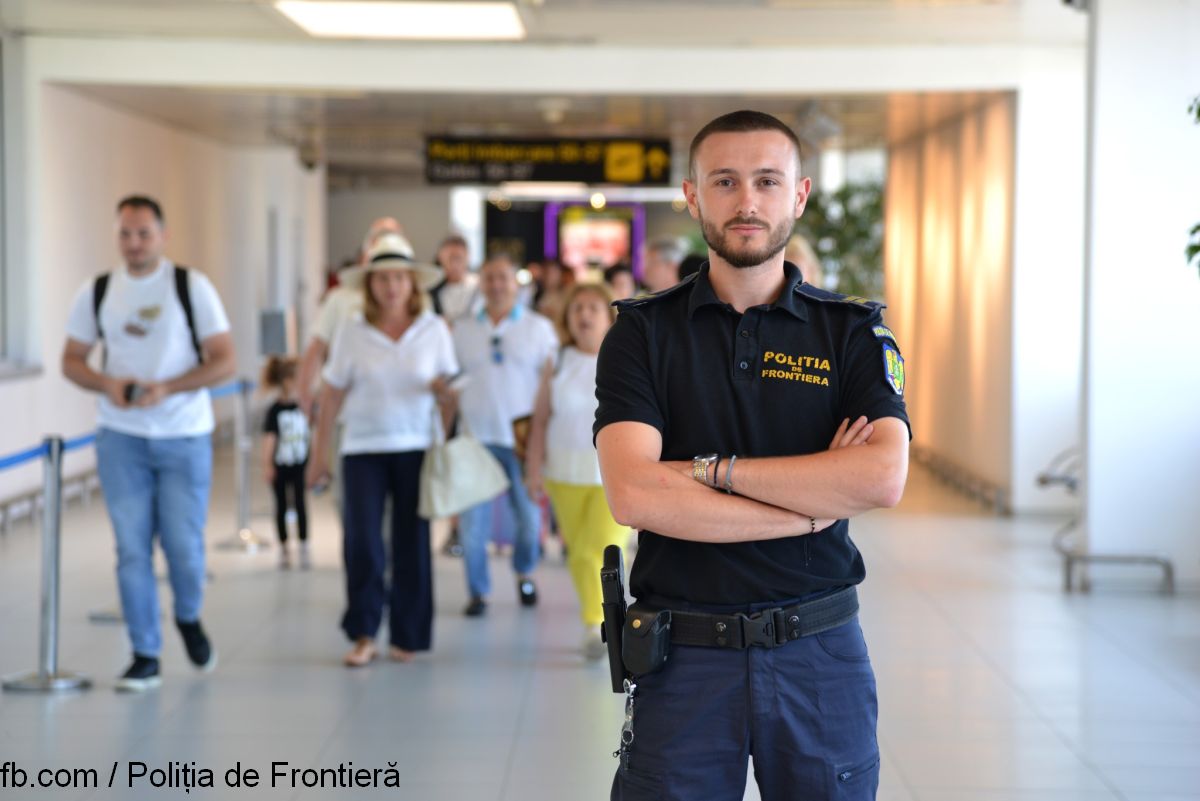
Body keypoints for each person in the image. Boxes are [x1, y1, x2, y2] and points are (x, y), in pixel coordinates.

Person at [594, 110, 910, 801]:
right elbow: (637, 495)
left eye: (767, 181)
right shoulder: (640, 335)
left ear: (797, 195)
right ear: (692, 195)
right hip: (683, 658)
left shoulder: (852, 333)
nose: (747, 201)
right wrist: (804, 510)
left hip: (819, 653)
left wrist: (713, 473)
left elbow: (881, 475)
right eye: (725, 181)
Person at [62, 195, 235, 692]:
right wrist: (105, 384)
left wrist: (169, 387)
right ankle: (145, 653)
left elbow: (225, 359)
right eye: (125, 234)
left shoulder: (190, 287)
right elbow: (72, 358)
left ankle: (188, 616)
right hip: (122, 438)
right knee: (132, 548)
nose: (134, 244)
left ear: (162, 236)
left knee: (182, 547)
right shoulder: (98, 291)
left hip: (183, 435)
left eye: (143, 234)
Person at [307, 233, 456, 668]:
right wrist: (319, 455)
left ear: (413, 283)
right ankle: (364, 631)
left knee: (412, 543)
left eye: (399, 278)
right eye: (382, 278)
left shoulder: (433, 331)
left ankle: (408, 634)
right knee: (363, 542)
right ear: (369, 284)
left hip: (415, 447)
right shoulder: (352, 331)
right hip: (362, 448)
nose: (391, 287)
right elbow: (331, 395)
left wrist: (442, 409)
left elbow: (450, 393)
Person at [451, 254, 559, 617]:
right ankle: (478, 592)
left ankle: (524, 572)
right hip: (474, 438)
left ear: (517, 283)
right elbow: (450, 383)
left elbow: (550, 384)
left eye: (503, 278)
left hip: (521, 440)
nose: (496, 285)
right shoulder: (461, 329)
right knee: (471, 529)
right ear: (480, 283)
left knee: (529, 522)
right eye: (489, 278)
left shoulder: (538, 328)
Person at [524, 282, 625, 660]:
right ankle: (595, 622)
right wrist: (533, 470)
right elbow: (539, 420)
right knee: (579, 554)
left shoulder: (624, 358)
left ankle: (601, 624)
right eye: (577, 308)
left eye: (592, 308)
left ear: (607, 316)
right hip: (563, 473)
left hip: (610, 475)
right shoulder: (558, 360)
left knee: (599, 549)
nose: (584, 315)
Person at [261, 355, 310, 570]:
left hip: (300, 464)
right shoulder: (275, 410)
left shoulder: (304, 407)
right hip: (281, 465)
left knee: (300, 503)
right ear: (287, 381)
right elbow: (269, 439)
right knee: (281, 505)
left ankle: (304, 544)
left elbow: (312, 434)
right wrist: (267, 464)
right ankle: (284, 547)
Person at [429, 232, 481, 327]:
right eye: (450, 258)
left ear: (467, 257)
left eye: (458, 258)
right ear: (440, 259)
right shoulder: (432, 290)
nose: (454, 264)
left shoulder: (479, 286)